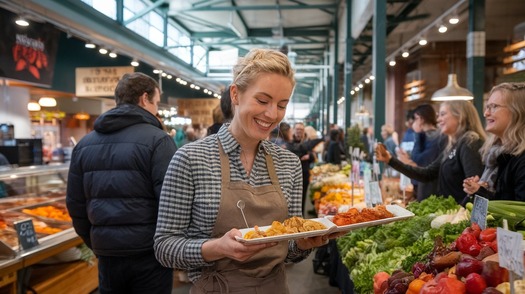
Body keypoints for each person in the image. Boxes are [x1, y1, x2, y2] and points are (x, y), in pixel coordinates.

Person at [154, 48, 337, 293]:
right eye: (262, 101)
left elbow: (290, 251)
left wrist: (303, 244)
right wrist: (217, 247)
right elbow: (164, 247)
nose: (272, 114)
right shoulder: (190, 158)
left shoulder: (289, 164)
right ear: (236, 94)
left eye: (282, 105)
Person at [66, 72, 177, 294]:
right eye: (156, 102)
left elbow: (75, 204)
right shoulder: (159, 141)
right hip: (150, 254)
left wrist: (96, 242)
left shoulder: (84, 144)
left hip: (107, 255)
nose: (157, 110)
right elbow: (172, 203)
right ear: (145, 99)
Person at [375, 100, 486, 204]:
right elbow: (426, 174)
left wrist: (458, 214)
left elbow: (475, 190)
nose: (438, 120)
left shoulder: (470, 142)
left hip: (460, 217)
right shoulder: (452, 146)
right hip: (449, 214)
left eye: (443, 114)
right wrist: (390, 160)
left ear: (460, 116)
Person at [463, 82, 525, 201]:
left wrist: (480, 192)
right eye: (487, 107)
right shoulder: (494, 155)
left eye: (494, 106)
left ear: (517, 111)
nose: (486, 113)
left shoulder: (521, 159)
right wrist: (478, 189)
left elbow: (519, 212)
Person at [397, 104, 448, 201]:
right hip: (423, 185)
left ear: (421, 118)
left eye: (416, 119)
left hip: (432, 189)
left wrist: (417, 132)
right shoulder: (426, 135)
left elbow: (419, 160)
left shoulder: (436, 137)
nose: (414, 123)